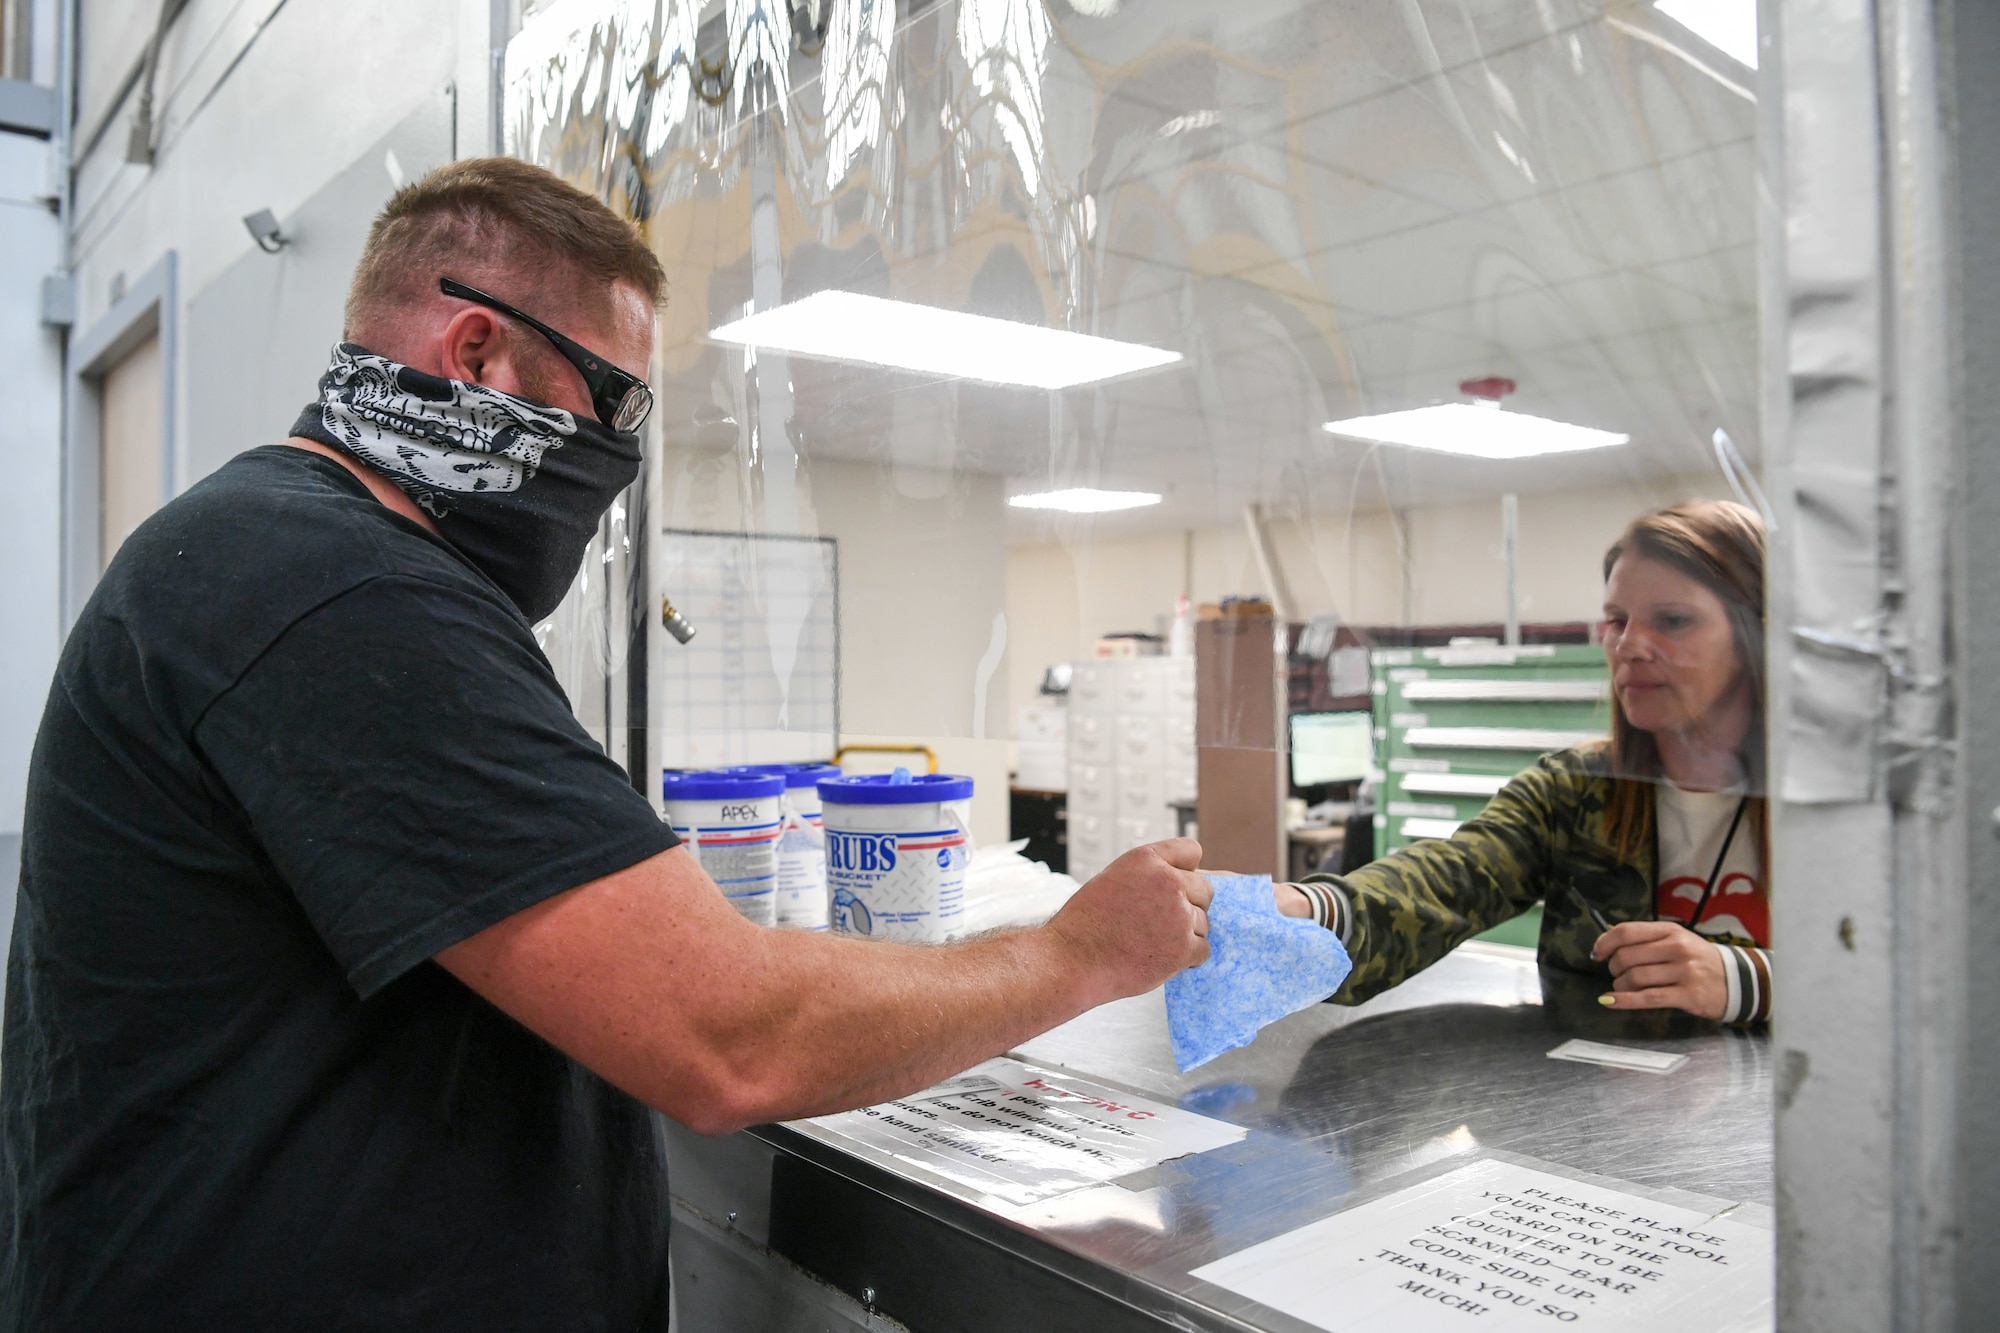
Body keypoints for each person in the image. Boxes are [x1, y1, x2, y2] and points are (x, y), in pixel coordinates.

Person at [0, 158, 1213, 1329]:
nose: (617, 462)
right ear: (475, 349)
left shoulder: (282, 558)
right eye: (612, 402)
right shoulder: (333, 588)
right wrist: (1076, 955)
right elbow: (729, 1035)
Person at [1278, 500, 1772, 1024]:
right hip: (1605, 1095)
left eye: (1673, 621)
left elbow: (1866, 987)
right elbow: (1445, 883)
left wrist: (1750, 981)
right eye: (1616, 621)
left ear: (1756, 637)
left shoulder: (1839, 807)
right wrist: (1291, 911)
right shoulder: (1574, 792)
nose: (1630, 646)